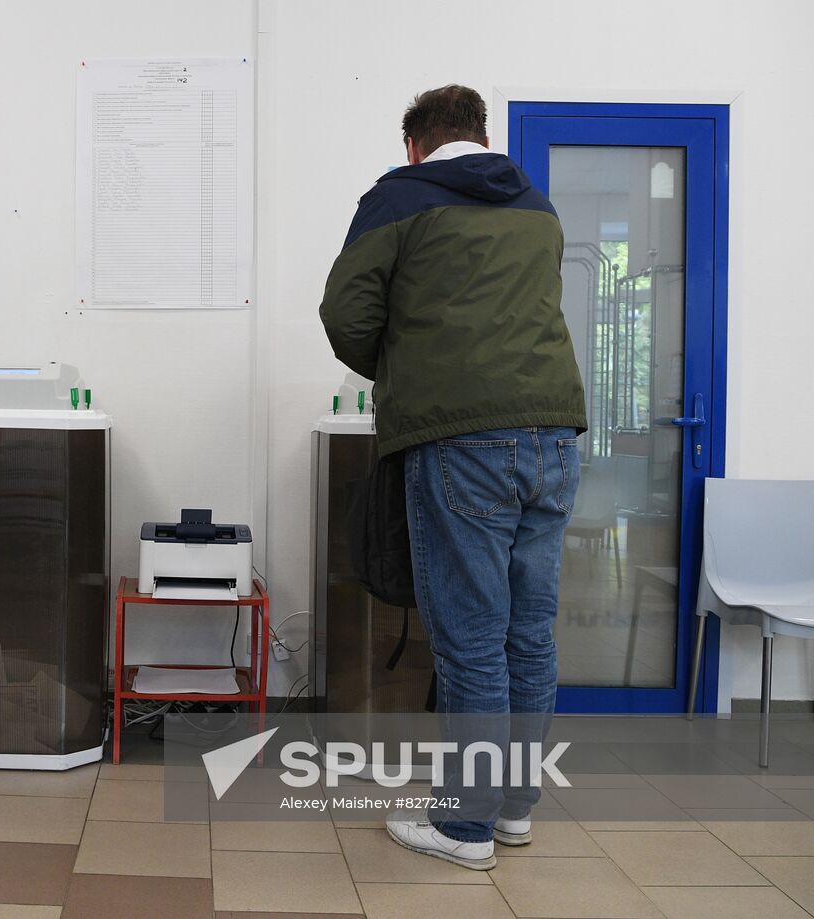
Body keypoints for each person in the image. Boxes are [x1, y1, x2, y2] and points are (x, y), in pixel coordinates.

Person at [318, 84, 587, 870]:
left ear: (416, 144)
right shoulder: (537, 206)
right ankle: (511, 809)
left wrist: (401, 370)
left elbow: (346, 312)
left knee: (471, 639)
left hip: (464, 440)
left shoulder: (398, 196)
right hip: (555, 435)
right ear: (480, 134)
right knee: (528, 634)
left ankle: (464, 825)